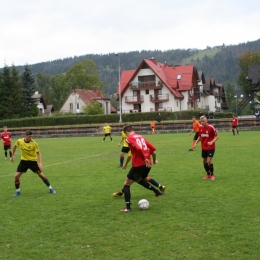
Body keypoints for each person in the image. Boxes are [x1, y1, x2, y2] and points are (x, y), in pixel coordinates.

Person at [119, 125, 162, 212]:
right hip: (148, 164)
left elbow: (138, 148)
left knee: (127, 184)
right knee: (140, 179)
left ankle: (128, 208)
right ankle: (157, 191)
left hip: (138, 164)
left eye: (125, 134)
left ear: (127, 132)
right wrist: (150, 159)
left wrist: (144, 158)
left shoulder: (129, 138)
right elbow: (153, 148)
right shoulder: (141, 137)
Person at [11, 130, 56, 196]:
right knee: (16, 176)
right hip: (23, 161)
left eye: (31, 136)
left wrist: (40, 163)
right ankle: (18, 191)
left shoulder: (34, 143)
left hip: (33, 162)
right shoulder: (19, 141)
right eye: (29, 137)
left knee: (41, 175)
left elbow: (39, 153)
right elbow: (15, 146)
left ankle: (51, 188)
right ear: (25, 136)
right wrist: (13, 155)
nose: (31, 138)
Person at [193, 116, 219, 180]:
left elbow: (217, 136)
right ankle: (208, 174)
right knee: (204, 161)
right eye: (201, 121)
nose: (202, 122)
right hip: (203, 147)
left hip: (211, 147)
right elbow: (200, 137)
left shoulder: (211, 127)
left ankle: (212, 174)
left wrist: (212, 142)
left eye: (203, 121)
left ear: (206, 121)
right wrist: (195, 143)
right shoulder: (200, 127)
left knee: (209, 161)